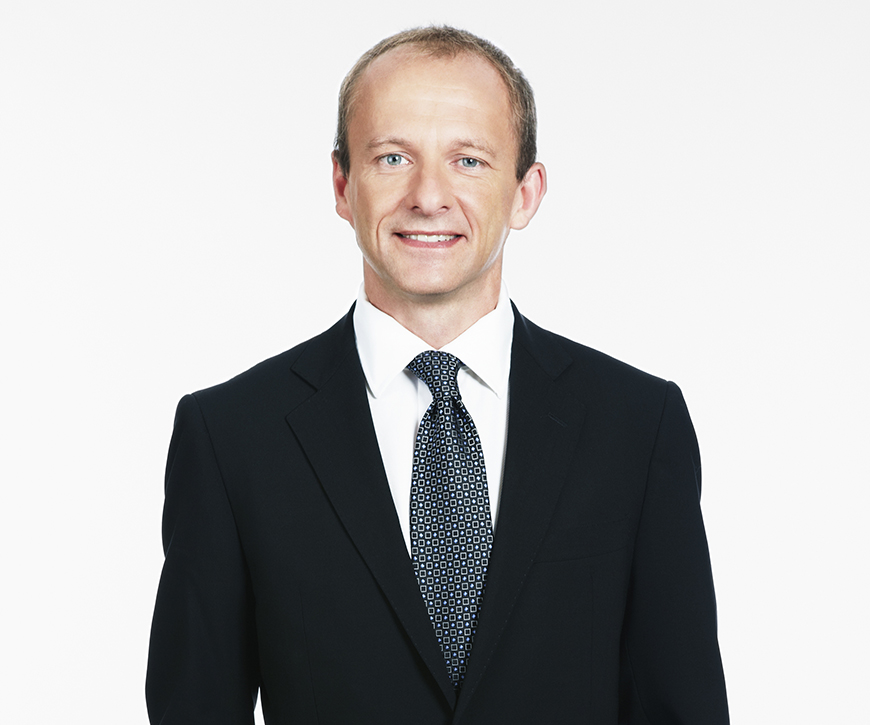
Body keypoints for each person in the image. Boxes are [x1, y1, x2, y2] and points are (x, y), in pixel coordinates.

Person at [146, 25, 729, 724]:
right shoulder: (231, 438)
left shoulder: (635, 427)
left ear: (525, 193)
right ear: (342, 184)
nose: (428, 196)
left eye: (469, 160)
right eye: (392, 157)